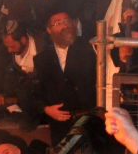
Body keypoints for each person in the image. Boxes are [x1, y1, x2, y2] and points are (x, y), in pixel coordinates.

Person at [31, 8, 97, 144]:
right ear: (49, 30)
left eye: (66, 21)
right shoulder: (42, 59)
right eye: (57, 23)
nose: (64, 25)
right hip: (60, 125)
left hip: (90, 121)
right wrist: (46, 109)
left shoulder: (90, 49)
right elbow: (35, 91)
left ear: (73, 24)